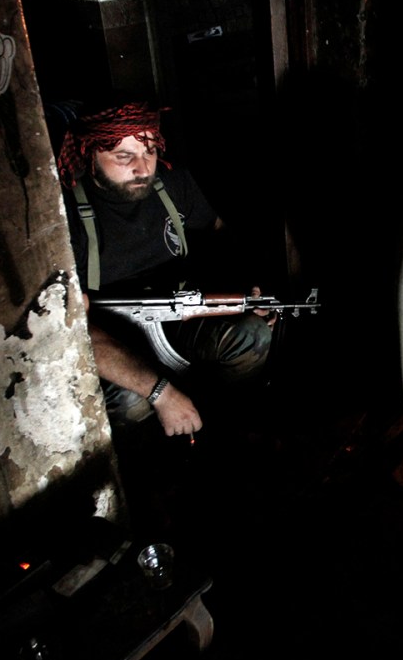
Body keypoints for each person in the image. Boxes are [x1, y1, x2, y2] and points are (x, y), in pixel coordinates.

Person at [56, 98, 275, 439]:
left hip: (178, 316)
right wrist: (161, 392)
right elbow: (72, 330)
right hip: (112, 339)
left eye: (149, 152)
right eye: (123, 156)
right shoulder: (64, 217)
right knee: (132, 402)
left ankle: (228, 431)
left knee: (251, 336)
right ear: (89, 154)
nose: (143, 168)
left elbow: (220, 232)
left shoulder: (173, 186)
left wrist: (249, 287)